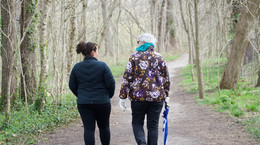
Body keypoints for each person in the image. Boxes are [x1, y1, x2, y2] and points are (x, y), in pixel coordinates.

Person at [119, 33, 170, 145]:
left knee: (137, 123)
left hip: (138, 98)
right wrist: (166, 95)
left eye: (138, 42)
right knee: (153, 126)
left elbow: (127, 78)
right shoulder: (160, 57)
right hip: (157, 98)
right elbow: (166, 79)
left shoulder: (134, 57)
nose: (137, 45)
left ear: (142, 43)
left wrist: (122, 96)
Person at [69, 42, 115, 145]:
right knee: (104, 127)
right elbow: (111, 83)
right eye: (97, 51)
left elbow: (72, 85)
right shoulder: (102, 66)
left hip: (84, 103)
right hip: (102, 102)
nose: (98, 53)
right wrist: (108, 96)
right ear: (93, 52)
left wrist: (81, 95)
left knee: (88, 129)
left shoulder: (77, 67)